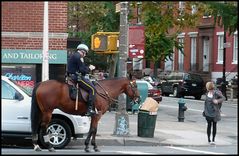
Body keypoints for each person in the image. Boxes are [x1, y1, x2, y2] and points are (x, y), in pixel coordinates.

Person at [67, 43, 97, 116]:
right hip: (77, 77)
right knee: (93, 89)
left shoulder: (74, 55)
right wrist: (90, 68)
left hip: (72, 76)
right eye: (85, 53)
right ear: (83, 51)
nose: (85, 55)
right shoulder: (79, 57)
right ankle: (89, 109)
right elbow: (83, 70)